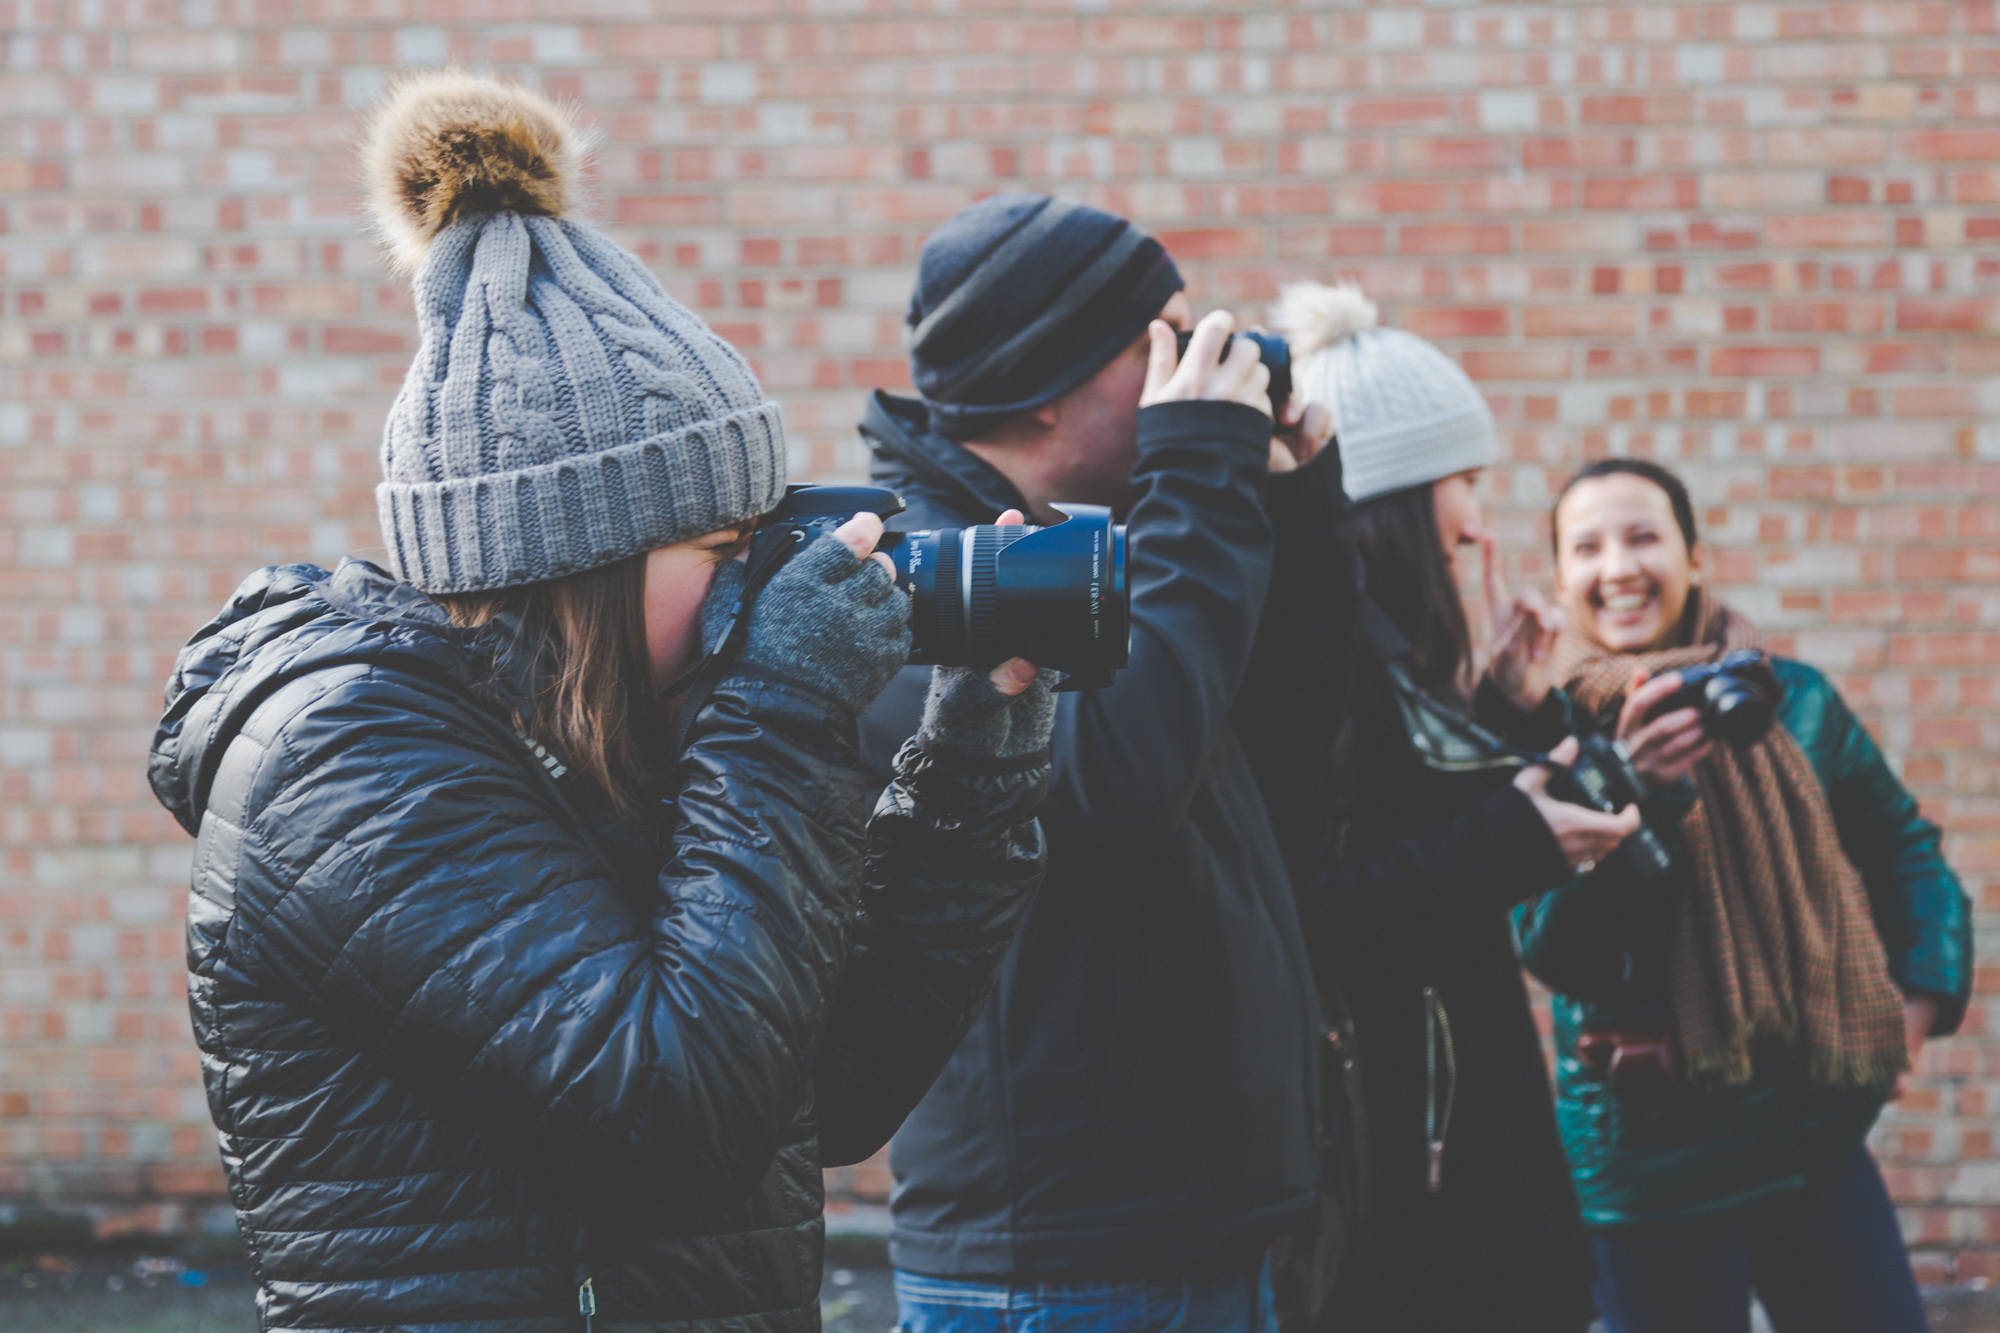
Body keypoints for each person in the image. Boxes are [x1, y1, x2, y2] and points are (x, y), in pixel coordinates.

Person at [146, 74, 1062, 1333]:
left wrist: (968, 761)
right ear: (572, 566)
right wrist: (783, 709)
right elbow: (676, 1117)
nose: (755, 583)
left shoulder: (619, 734)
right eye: (721, 546)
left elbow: (816, 1093)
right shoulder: (347, 760)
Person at [854, 194, 1353, 1332]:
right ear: (1043, 380)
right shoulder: (911, 579)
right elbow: (1115, 779)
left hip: (1192, 1229)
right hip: (1060, 1257)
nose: (1193, 365)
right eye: (1159, 342)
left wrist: (1291, 508)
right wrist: (1198, 482)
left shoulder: (1121, 533)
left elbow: (1294, 758)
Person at [1504, 457, 1974, 1333]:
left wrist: (1920, 999)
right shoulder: (1541, 729)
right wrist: (1636, 786)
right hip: (1645, 1156)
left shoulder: (1792, 703)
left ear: (1696, 555)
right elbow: (1557, 950)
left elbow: (1907, 850)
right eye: (1588, 547)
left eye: (1644, 536)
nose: (1619, 566)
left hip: (1812, 1131)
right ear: (1561, 578)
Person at [1264, 283, 1635, 1332]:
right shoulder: (1322, 660)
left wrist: (1503, 708)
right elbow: (1316, 903)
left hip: (1442, 1115)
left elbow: (1408, 819)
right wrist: (1518, 835)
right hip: (1401, 1145)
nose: (1477, 522)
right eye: (1462, 482)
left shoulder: (1383, 656)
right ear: (1392, 497)